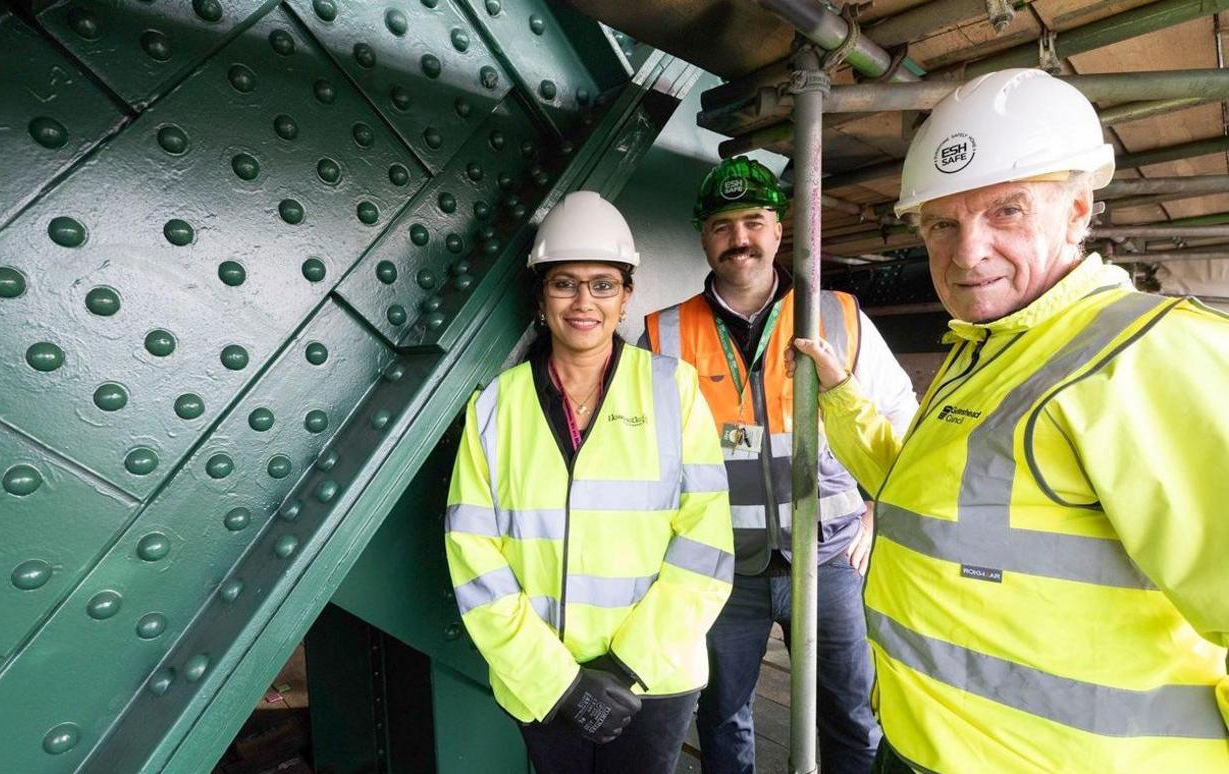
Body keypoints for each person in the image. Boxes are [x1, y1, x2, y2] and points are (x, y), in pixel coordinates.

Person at [791, 68, 1229, 772]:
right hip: (918, 749)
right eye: (942, 223)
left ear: (1078, 210)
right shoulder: (987, 349)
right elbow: (924, 502)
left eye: (1007, 212)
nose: (967, 252)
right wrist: (842, 398)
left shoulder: (1150, 358)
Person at [640, 157, 918, 774]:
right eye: (722, 225)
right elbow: (644, 460)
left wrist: (878, 508)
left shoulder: (840, 315)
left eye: (753, 221)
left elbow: (902, 416)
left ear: (778, 228)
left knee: (851, 715)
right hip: (720, 570)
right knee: (721, 718)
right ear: (703, 236)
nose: (740, 239)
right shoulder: (662, 334)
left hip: (829, 559)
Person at [445, 190, 735, 774]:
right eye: (564, 283)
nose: (584, 302)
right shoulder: (497, 406)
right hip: (540, 683)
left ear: (625, 297)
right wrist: (557, 679)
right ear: (541, 295)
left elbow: (706, 543)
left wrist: (628, 669)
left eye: (603, 284)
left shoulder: (671, 390)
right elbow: (472, 552)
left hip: (654, 681)